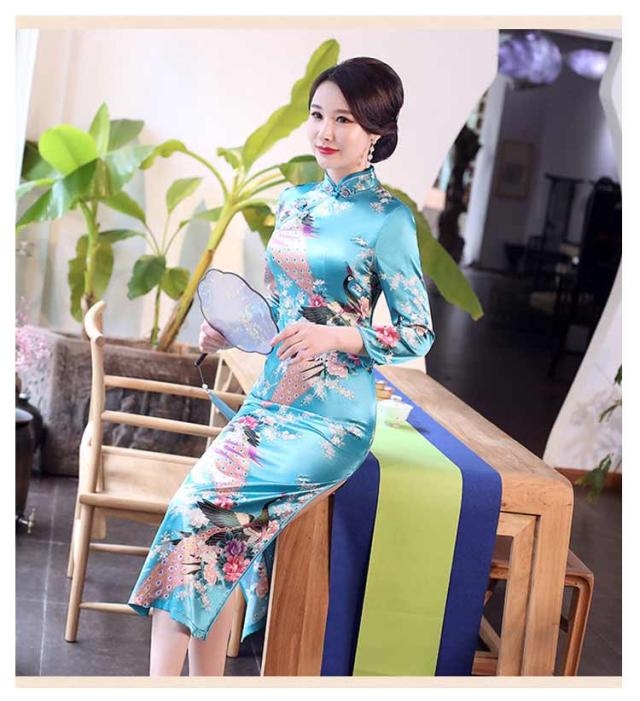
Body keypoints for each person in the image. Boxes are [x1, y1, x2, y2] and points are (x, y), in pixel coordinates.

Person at [127, 56, 436, 677]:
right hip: (269, 403)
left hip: (330, 422)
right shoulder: (294, 203)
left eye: (344, 120)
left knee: (197, 516)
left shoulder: (390, 219)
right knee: (207, 534)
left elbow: (416, 332)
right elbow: (281, 309)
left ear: (377, 131)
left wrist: (337, 336)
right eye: (318, 115)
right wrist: (230, 331)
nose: (325, 131)